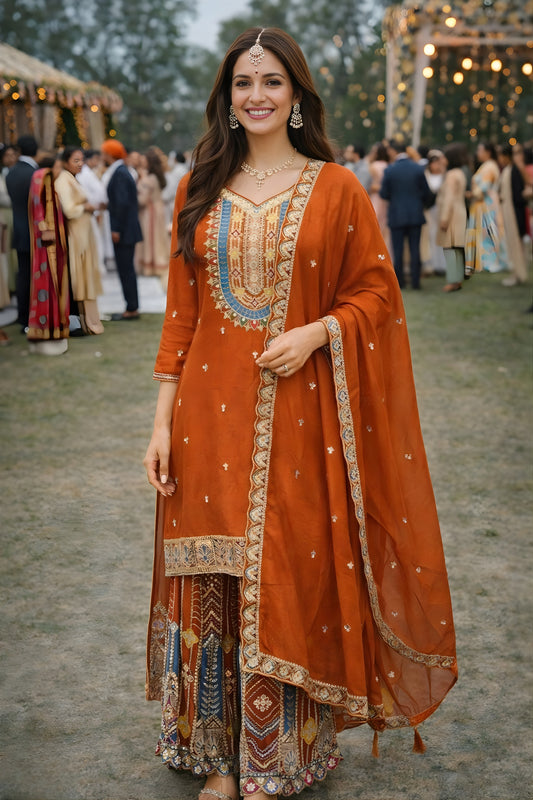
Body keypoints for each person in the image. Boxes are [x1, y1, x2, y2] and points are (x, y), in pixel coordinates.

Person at [143, 27, 456, 800]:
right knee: (211, 581)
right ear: (226, 98)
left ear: (295, 96)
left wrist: (320, 331)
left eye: (271, 82)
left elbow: (377, 292)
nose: (255, 95)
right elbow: (181, 317)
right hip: (206, 417)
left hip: (297, 421)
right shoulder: (200, 187)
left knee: (286, 571)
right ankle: (217, 757)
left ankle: (282, 752)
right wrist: (159, 423)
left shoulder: (336, 187)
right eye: (242, 83)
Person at [55, 146, 104, 335]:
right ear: (66, 162)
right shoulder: (63, 180)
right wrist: (86, 207)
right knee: (78, 278)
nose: (80, 163)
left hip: (84, 235)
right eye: (76, 160)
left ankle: (87, 321)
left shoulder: (72, 179)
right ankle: (78, 322)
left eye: (81, 159)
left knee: (85, 276)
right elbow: (68, 209)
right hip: (76, 236)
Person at [27, 158, 70, 354]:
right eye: (59, 166)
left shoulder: (49, 183)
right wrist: (45, 229)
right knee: (48, 285)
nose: (61, 170)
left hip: (52, 245)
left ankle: (54, 328)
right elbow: (39, 208)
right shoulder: (43, 178)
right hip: (47, 246)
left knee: (54, 286)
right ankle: (48, 329)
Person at [380, 139, 434, 289]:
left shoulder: (390, 170)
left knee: (398, 250)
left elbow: (384, 193)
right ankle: (416, 282)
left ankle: (400, 283)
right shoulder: (417, 169)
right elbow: (426, 192)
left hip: (397, 214)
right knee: (415, 249)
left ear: (392, 150)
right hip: (415, 214)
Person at [101, 139, 142, 320]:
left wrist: (115, 229)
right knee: (126, 269)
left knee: (126, 269)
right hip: (127, 228)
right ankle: (131, 305)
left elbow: (121, 204)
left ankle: (131, 307)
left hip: (124, 230)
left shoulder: (119, 173)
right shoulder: (121, 171)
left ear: (110, 154)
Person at [5, 135, 39, 331]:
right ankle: (32, 317)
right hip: (34, 231)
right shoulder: (35, 174)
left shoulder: (11, 173)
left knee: (22, 275)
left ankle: (22, 316)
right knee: (33, 276)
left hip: (18, 230)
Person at [465, 141, 506, 276]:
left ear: (487, 152)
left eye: (480, 150)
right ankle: (485, 261)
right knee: (484, 232)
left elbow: (484, 186)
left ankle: (490, 262)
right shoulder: (488, 165)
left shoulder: (489, 166)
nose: (478, 153)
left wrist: (471, 194)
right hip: (483, 203)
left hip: (486, 204)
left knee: (487, 232)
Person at [436, 143, 468, 292]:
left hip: (452, 214)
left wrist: (444, 219)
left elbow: (448, 198)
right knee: (457, 248)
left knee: (450, 248)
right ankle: (457, 279)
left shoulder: (451, 175)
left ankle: (453, 281)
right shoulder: (459, 173)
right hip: (459, 212)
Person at [497, 144, 528, 286]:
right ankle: (515, 272)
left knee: (517, 245)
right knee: (511, 244)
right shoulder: (508, 170)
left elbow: (518, 196)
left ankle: (519, 274)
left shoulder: (514, 171)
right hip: (508, 211)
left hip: (515, 213)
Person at [137, 148, 170, 277]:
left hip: (150, 212)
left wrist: (141, 181)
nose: (142, 163)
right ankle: (157, 263)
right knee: (158, 237)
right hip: (158, 209)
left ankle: (152, 266)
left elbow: (142, 200)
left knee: (151, 238)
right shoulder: (156, 176)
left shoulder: (149, 178)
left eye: (143, 161)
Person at [421, 149, 446, 276]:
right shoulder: (425, 176)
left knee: (440, 236)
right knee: (429, 236)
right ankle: (430, 264)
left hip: (440, 210)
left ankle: (441, 264)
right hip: (429, 211)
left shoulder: (445, 177)